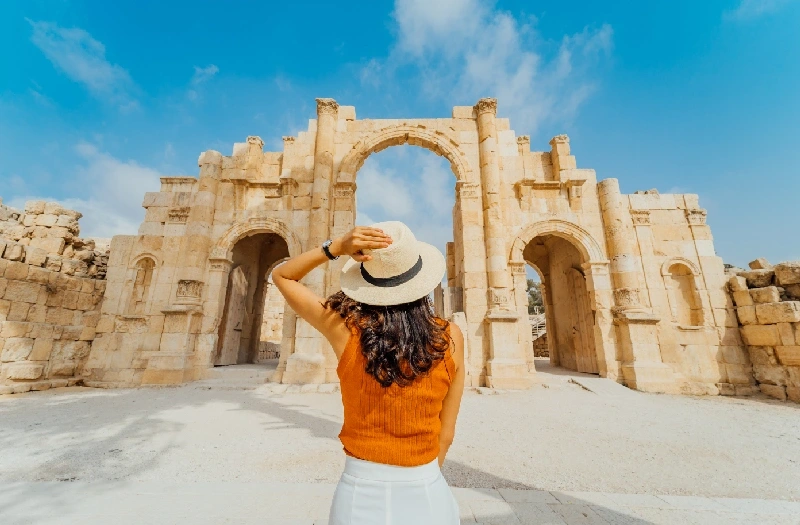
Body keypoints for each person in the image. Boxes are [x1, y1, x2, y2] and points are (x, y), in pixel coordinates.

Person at [272, 221, 465, 524]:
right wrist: (422, 478)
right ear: (420, 277)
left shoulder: (345, 330)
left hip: (359, 493)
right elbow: (447, 434)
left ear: (367, 281)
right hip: (427, 490)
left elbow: (282, 275)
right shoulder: (450, 336)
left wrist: (335, 247)